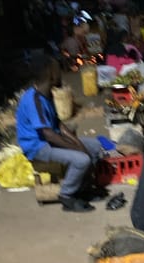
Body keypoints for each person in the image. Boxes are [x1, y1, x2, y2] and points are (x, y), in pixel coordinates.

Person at [15, 55, 103, 212]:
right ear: (51, 75)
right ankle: (67, 195)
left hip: (50, 140)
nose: (62, 74)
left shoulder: (46, 95)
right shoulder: (34, 99)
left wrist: (77, 143)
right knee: (82, 160)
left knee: (95, 146)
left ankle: (83, 189)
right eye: (59, 70)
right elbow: (48, 134)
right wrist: (77, 148)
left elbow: (59, 125)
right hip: (38, 147)